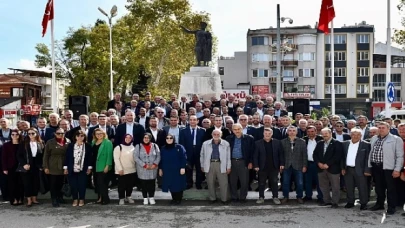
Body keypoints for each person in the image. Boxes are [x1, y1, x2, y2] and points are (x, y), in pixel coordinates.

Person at [367, 121, 404, 215]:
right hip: (376, 166)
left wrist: (397, 169)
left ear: (388, 129)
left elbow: (400, 156)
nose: (381, 129)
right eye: (379, 128)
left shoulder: (396, 139)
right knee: (379, 188)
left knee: (391, 188)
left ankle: (392, 207)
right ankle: (379, 204)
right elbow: (371, 152)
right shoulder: (374, 138)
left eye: (383, 128)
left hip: (389, 168)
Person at [313, 128, 344, 208]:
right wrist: (318, 163)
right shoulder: (320, 143)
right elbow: (315, 154)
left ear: (330, 134)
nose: (324, 135)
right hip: (321, 168)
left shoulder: (337, 143)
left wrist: (328, 164)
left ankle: (335, 202)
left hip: (333, 168)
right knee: (323, 185)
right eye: (323, 134)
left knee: (335, 186)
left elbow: (337, 156)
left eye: (326, 133)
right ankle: (327, 201)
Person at [341, 129, 371, 210]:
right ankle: (350, 202)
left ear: (361, 136)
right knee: (349, 186)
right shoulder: (344, 144)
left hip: (360, 169)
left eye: (358, 134)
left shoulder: (366, 144)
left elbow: (368, 158)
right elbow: (342, 157)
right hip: (348, 169)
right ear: (350, 135)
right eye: (353, 134)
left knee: (362, 187)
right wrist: (342, 168)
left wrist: (367, 170)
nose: (355, 136)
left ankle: (363, 203)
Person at [253, 128, 284, 204]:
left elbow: (281, 154)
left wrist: (282, 164)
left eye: (269, 133)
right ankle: (261, 197)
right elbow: (255, 155)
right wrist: (256, 165)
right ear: (263, 134)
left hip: (274, 166)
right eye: (266, 133)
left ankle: (275, 197)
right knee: (261, 183)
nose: (267, 135)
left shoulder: (277, 142)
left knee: (274, 182)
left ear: (272, 134)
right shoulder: (257, 143)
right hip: (262, 167)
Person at [225, 123, 255, 203]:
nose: (237, 131)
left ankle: (242, 198)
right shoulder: (228, 138)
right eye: (235, 129)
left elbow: (252, 152)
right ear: (232, 130)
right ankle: (234, 197)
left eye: (239, 129)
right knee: (232, 181)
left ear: (242, 129)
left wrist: (251, 162)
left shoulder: (249, 138)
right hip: (232, 162)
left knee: (244, 181)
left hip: (244, 162)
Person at [200, 129, 231, 204]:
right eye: (215, 134)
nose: (216, 136)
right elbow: (202, 155)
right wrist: (202, 165)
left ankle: (224, 199)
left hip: (221, 164)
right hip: (210, 164)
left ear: (221, 135)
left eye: (218, 134)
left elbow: (228, 156)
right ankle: (212, 198)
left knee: (224, 183)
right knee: (210, 182)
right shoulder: (205, 143)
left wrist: (228, 167)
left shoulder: (226, 143)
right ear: (212, 135)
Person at [64, 130, 93, 207]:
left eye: (82, 136)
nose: (80, 137)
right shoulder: (70, 145)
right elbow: (67, 157)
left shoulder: (87, 145)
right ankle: (75, 199)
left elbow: (90, 158)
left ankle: (82, 199)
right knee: (73, 185)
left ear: (84, 137)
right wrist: (65, 168)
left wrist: (89, 168)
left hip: (83, 169)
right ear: (75, 137)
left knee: (82, 185)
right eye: (78, 136)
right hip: (72, 168)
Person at [43, 128, 71, 207]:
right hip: (53, 164)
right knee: (53, 183)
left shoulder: (68, 141)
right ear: (55, 134)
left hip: (64, 164)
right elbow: (46, 155)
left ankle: (60, 197)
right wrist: (46, 167)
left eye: (62, 133)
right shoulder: (50, 142)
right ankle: (54, 199)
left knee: (61, 182)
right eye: (58, 133)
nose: (60, 135)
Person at [280, 126, 307, 204]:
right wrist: (281, 165)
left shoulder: (302, 141)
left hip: (299, 165)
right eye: (290, 130)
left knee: (299, 182)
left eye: (293, 130)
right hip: (286, 165)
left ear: (296, 132)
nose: (292, 132)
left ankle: (299, 196)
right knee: (285, 182)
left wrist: (305, 165)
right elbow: (281, 155)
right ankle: (285, 196)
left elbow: (304, 155)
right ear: (287, 132)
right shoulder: (282, 142)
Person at [17, 128, 44, 207]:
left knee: (35, 183)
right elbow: (19, 155)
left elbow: (43, 155)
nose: (31, 135)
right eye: (29, 133)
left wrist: (41, 165)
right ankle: (29, 200)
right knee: (27, 183)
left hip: (37, 166)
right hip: (27, 166)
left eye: (33, 133)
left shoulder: (41, 142)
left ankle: (34, 198)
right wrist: (24, 164)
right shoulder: (24, 143)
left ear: (36, 133)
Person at [159, 134, 187, 205]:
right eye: (167, 138)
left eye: (171, 138)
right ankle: (174, 199)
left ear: (173, 139)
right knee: (171, 185)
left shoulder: (179, 147)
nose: (169, 139)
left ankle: (178, 199)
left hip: (177, 169)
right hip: (167, 170)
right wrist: (160, 169)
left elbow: (183, 158)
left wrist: (183, 167)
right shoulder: (163, 148)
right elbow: (161, 160)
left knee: (178, 184)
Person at [134, 133, 161, 205]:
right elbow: (136, 157)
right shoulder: (138, 146)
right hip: (142, 169)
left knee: (152, 184)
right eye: (145, 137)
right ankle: (145, 198)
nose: (146, 139)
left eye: (148, 138)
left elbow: (158, 156)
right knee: (143, 184)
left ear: (150, 138)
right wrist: (144, 165)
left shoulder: (155, 146)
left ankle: (151, 197)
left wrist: (155, 164)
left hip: (153, 168)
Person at [2, 129, 24, 206]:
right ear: (10, 135)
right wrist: (4, 168)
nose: (14, 136)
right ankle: (13, 199)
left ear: (19, 135)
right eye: (13, 134)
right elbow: (4, 157)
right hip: (10, 167)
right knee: (12, 184)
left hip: (21, 166)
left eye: (16, 134)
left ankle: (20, 198)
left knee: (20, 183)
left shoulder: (22, 144)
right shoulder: (6, 145)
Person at [92, 128, 113, 205]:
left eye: (100, 133)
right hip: (95, 165)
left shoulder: (107, 142)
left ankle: (106, 199)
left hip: (103, 165)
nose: (99, 135)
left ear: (104, 134)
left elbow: (109, 155)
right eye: (97, 134)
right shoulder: (93, 142)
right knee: (97, 183)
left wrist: (107, 166)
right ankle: (100, 198)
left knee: (102, 183)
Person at [113, 134, 136, 205]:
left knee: (130, 185)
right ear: (124, 138)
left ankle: (128, 196)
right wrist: (120, 169)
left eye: (130, 138)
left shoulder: (133, 147)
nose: (128, 139)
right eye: (126, 137)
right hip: (122, 170)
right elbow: (116, 159)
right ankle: (121, 198)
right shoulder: (119, 147)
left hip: (131, 170)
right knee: (121, 186)